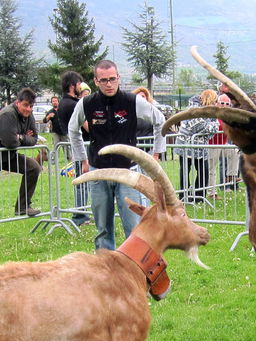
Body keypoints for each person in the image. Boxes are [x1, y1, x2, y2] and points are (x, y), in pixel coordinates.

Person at [68, 59, 165, 251]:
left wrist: (156, 154)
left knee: (134, 227)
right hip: (99, 172)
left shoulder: (132, 101)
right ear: (96, 81)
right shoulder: (86, 103)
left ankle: (137, 270)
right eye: (103, 80)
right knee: (103, 228)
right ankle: (105, 270)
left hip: (128, 172)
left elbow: (160, 120)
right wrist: (82, 159)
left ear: (119, 78)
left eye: (112, 79)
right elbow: (73, 129)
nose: (109, 84)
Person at [0, 88, 42, 242]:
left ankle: (22, 207)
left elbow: (34, 139)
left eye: (31, 106)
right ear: (18, 103)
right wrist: (22, 138)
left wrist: (20, 137)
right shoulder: (7, 115)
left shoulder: (28, 116)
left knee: (33, 168)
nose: (28, 109)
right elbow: (10, 142)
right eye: (25, 105)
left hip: (7, 155)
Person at [57, 71, 90, 226]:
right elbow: (87, 127)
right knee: (83, 182)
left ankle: (82, 215)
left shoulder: (64, 103)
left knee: (82, 181)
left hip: (78, 146)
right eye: (78, 84)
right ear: (72, 86)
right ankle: (80, 216)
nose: (81, 86)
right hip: (81, 147)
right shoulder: (73, 105)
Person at [173, 90, 219, 202]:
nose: (216, 103)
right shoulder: (193, 109)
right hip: (185, 146)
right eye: (215, 100)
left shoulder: (211, 112)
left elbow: (216, 127)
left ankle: (199, 196)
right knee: (184, 171)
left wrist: (210, 127)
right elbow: (199, 126)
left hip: (201, 148)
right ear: (210, 99)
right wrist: (211, 126)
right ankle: (184, 196)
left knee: (204, 172)